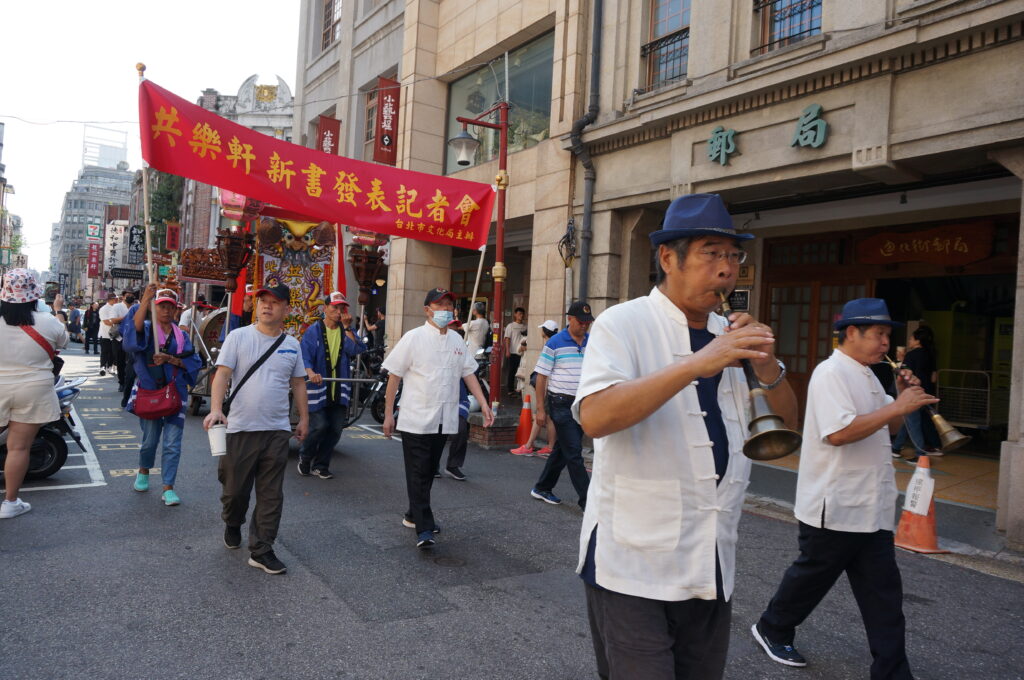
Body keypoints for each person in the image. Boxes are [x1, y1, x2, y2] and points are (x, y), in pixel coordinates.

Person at [572, 193, 796, 679]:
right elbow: (594, 416)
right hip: (633, 563)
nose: (726, 269)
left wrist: (766, 364)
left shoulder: (731, 332)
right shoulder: (622, 323)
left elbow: (788, 423)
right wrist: (697, 363)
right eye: (711, 253)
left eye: (733, 256)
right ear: (668, 258)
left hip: (710, 560)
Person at [751, 298, 937, 679]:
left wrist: (905, 405)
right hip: (834, 504)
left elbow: (889, 429)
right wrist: (895, 406)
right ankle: (772, 626)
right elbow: (838, 434)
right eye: (879, 334)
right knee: (810, 578)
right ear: (851, 332)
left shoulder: (869, 375)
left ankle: (892, 671)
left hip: (871, 505)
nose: (887, 343)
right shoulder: (830, 372)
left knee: (885, 597)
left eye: (888, 335)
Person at [203, 282, 309, 575]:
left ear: (286, 308)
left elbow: (298, 383)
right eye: (262, 300)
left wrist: (303, 419)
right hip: (239, 429)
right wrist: (215, 410)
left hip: (276, 430)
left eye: (274, 302)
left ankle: (262, 549)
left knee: (271, 494)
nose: (266, 305)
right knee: (234, 490)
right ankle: (232, 520)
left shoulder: (292, 345)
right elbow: (222, 374)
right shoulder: (238, 337)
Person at [382, 288, 494, 549]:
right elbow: (394, 375)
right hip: (416, 417)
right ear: (427, 310)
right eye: (439, 305)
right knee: (418, 471)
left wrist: (485, 404)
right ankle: (424, 527)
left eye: (448, 305)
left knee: (428, 471)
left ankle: (413, 514)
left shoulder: (457, 340)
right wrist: (388, 414)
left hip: (444, 419)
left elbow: (469, 374)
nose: (445, 309)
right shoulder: (414, 338)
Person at [122, 285, 202, 506]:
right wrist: (145, 299)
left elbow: (194, 362)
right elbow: (131, 339)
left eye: (170, 307)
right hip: (150, 392)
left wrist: (171, 359)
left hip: (175, 393)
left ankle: (168, 487)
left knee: (172, 444)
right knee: (149, 441)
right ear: (154, 309)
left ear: (177, 310)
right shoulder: (147, 329)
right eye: (161, 306)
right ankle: (144, 470)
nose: (166, 310)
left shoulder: (182, 336)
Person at [0, 269, 69, 519]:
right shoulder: (47, 320)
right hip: (34, 388)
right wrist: (58, 310)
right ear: (34, 294)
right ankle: (9, 502)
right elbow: (63, 342)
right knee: (18, 448)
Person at [529, 302, 593, 510]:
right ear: (570, 319)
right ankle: (589, 502)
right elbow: (541, 376)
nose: (584, 326)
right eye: (581, 322)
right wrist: (540, 409)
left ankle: (542, 487)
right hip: (560, 403)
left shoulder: (592, 342)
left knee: (563, 449)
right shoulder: (555, 342)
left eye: (588, 322)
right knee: (574, 451)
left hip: (581, 403)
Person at [298, 291, 367, 479]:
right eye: (334, 307)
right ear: (325, 308)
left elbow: (357, 349)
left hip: (340, 388)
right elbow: (305, 356)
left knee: (335, 428)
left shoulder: (345, 330)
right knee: (319, 425)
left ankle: (321, 465)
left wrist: (347, 328)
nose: (338, 311)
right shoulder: (313, 330)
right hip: (318, 386)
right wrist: (310, 372)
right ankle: (305, 455)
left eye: (341, 308)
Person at [891, 326, 941, 460]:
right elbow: (933, 378)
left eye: (911, 338)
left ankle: (920, 454)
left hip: (912, 391)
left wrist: (900, 359)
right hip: (927, 392)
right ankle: (895, 448)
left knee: (913, 422)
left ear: (918, 340)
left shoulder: (911, 355)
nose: (909, 340)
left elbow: (902, 374)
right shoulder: (930, 354)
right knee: (909, 420)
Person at [511, 320, 559, 456]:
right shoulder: (557, 342)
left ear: (544, 331)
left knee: (540, 414)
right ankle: (549, 446)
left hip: (551, 387)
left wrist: (541, 388)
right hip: (554, 387)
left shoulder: (550, 345)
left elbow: (544, 372)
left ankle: (529, 445)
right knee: (548, 418)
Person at [98, 292, 128, 379]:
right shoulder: (104, 309)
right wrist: (116, 321)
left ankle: (110, 367)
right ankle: (102, 367)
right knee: (105, 351)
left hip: (116, 334)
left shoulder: (118, 307)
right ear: (110, 299)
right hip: (105, 334)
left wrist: (116, 320)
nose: (117, 300)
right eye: (115, 298)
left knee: (114, 352)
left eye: (117, 298)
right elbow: (106, 322)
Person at [503, 307, 528, 395]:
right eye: (519, 314)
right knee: (512, 371)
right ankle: (510, 389)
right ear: (515, 315)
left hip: (523, 353)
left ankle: (520, 389)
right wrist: (507, 350)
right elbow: (507, 339)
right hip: (513, 352)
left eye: (522, 314)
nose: (521, 316)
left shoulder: (525, 326)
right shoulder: (511, 326)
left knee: (521, 371)